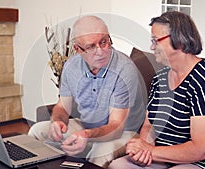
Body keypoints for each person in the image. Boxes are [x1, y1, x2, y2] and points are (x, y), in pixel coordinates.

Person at [108, 11, 205, 169]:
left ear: (178, 39)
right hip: (166, 157)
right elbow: (149, 125)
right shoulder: (161, 78)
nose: (152, 47)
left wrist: (151, 151)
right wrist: (142, 151)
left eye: (156, 40)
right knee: (118, 166)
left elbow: (204, 149)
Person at [28, 15, 147, 168]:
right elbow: (62, 107)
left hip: (125, 132)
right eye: (91, 46)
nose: (101, 51)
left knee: (101, 150)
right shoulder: (71, 66)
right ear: (77, 49)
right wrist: (57, 121)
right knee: (37, 131)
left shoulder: (124, 69)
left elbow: (116, 127)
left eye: (104, 42)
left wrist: (86, 135)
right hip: (87, 126)